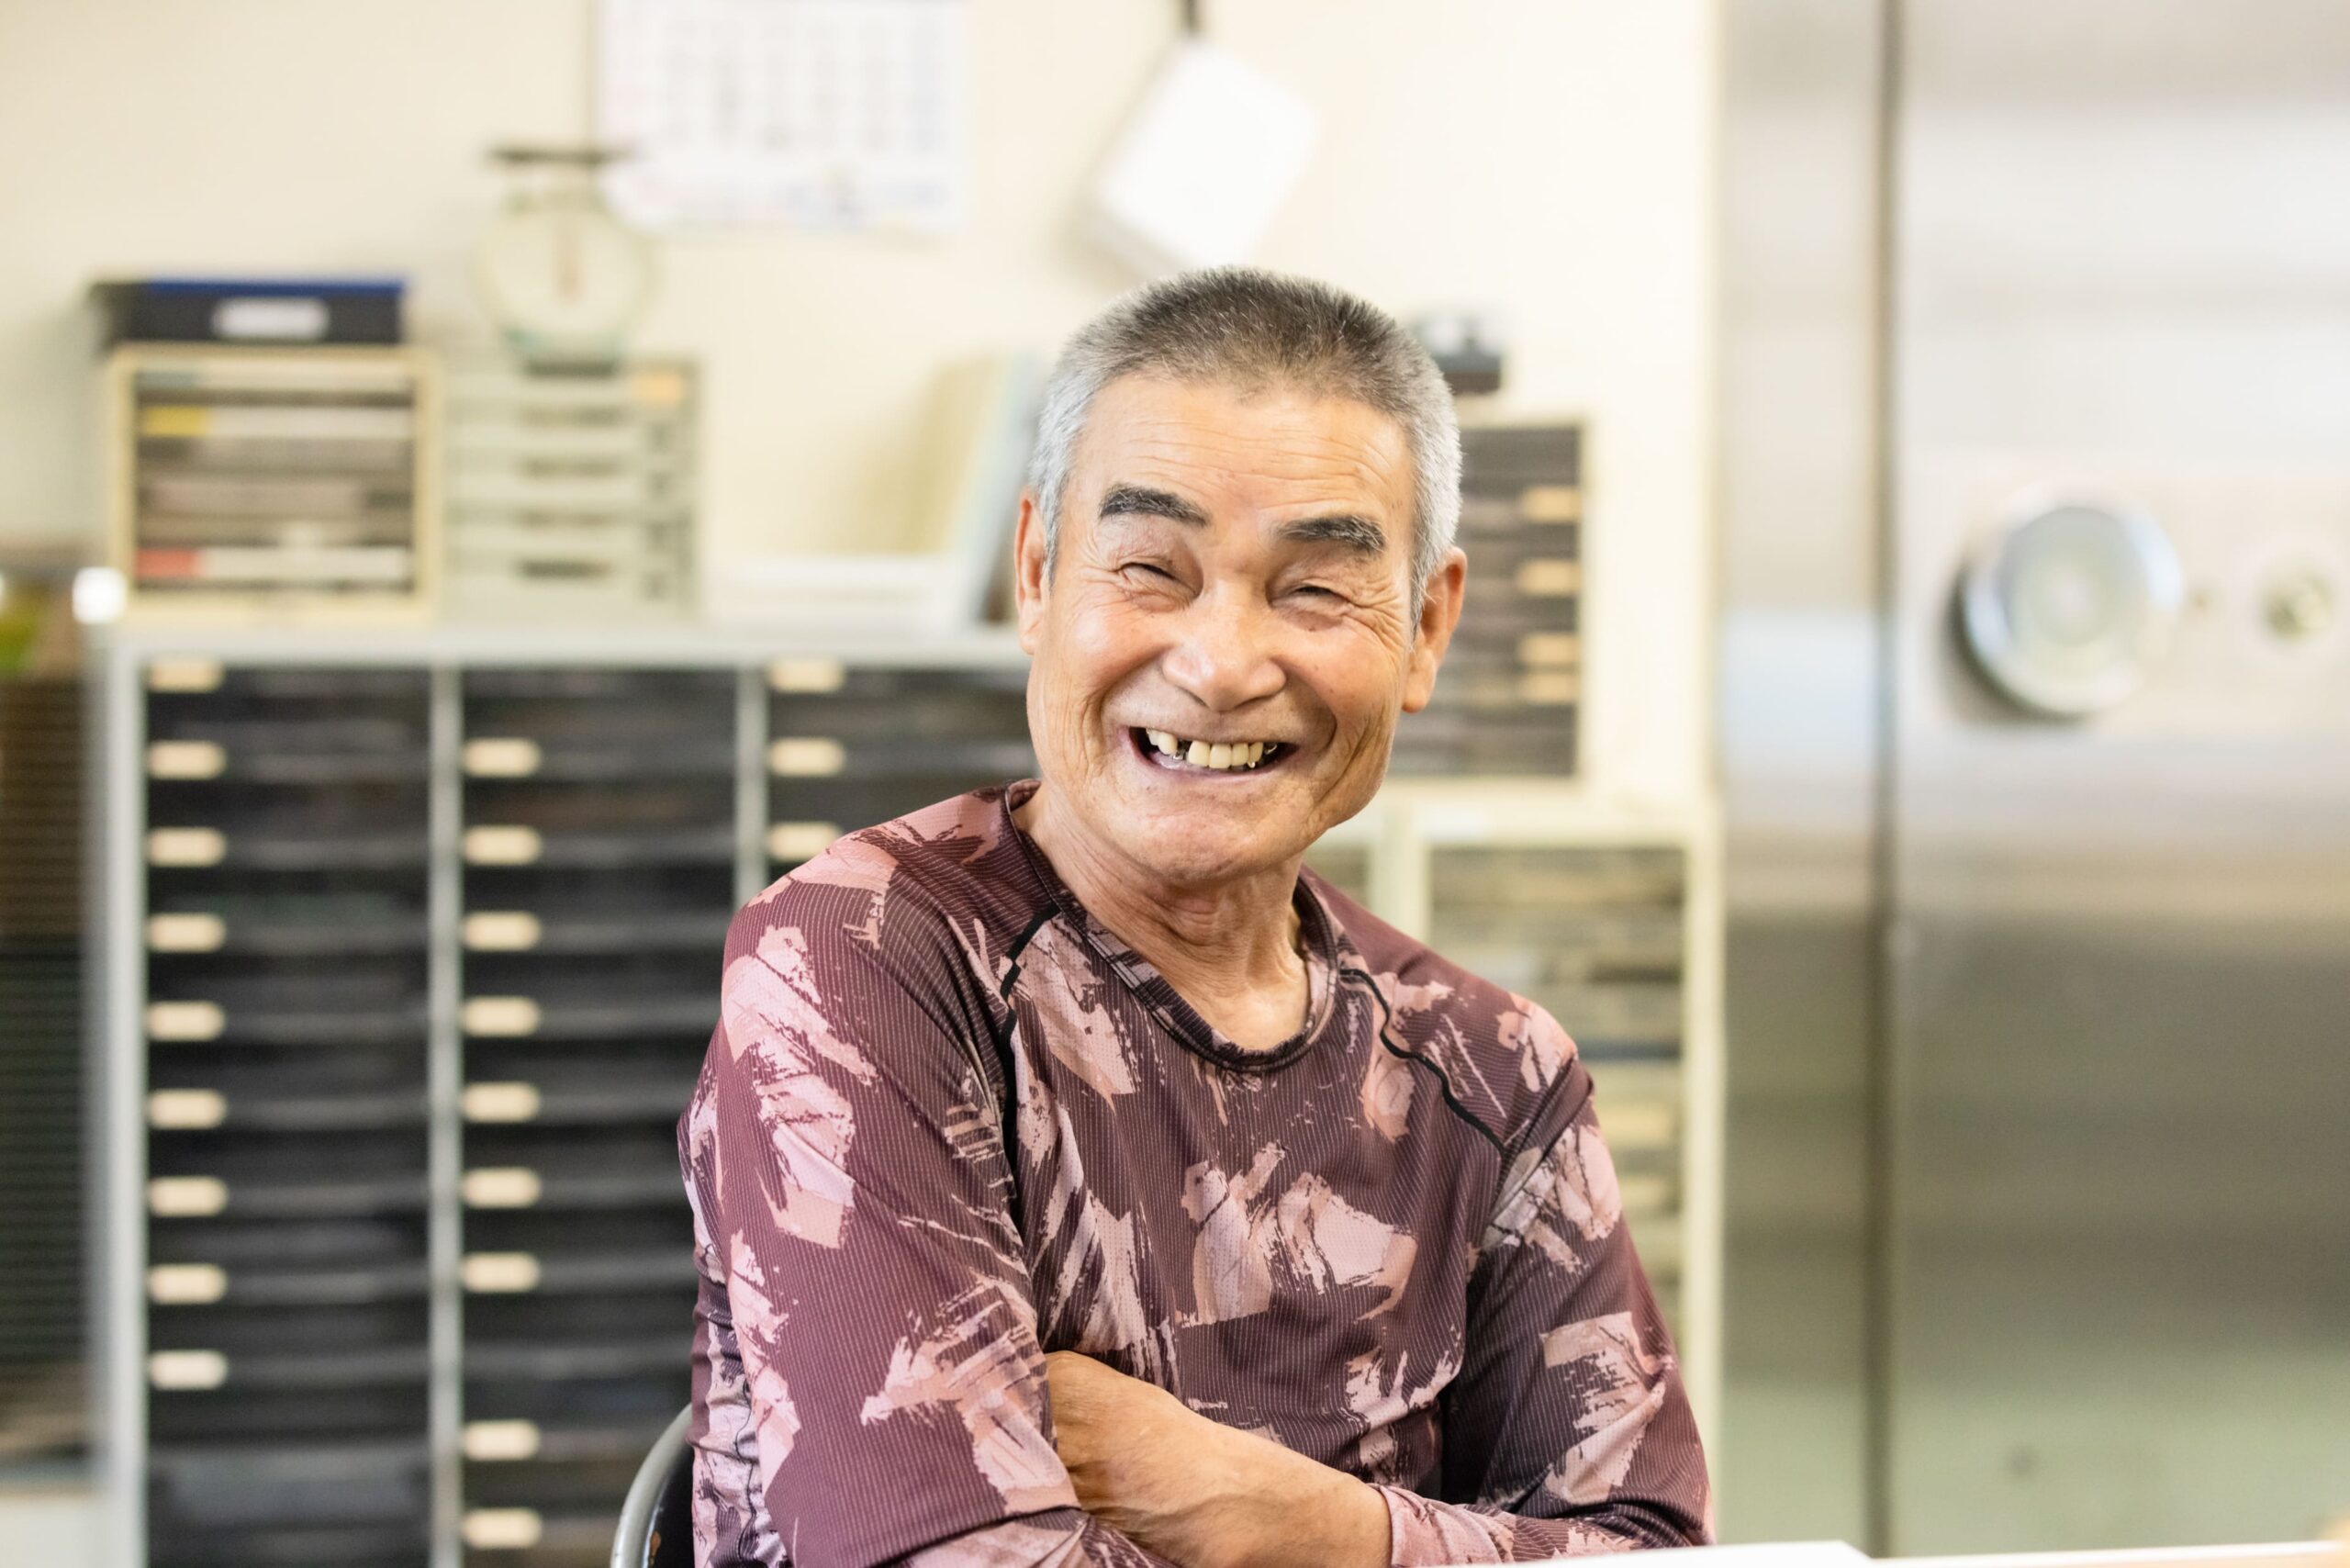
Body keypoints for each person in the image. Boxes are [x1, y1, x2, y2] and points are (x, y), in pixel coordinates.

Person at [677, 267, 1711, 1567]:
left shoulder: (1494, 1072)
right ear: (1037, 574)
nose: (1221, 665)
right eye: (1150, 570)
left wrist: (1289, 1520)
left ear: (1427, 627)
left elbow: (1654, 1552)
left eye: (1314, 588)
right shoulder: (865, 962)